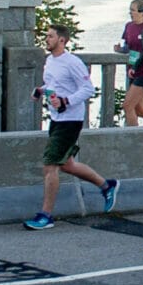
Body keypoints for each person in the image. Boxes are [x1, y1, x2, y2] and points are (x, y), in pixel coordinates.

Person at [24, 24, 118, 230]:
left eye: (50, 36)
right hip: (57, 118)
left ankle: (45, 215)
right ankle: (107, 185)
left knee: (50, 165)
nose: (46, 39)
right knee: (67, 164)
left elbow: (88, 89)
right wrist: (40, 91)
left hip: (71, 119)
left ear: (62, 40)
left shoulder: (73, 62)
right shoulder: (50, 61)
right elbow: (52, 85)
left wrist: (66, 101)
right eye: (46, 36)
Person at [113, 0, 143, 126]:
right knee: (140, 110)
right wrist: (120, 50)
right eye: (129, 10)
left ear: (141, 12)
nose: (130, 13)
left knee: (128, 106)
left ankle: (134, 137)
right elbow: (128, 46)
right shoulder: (129, 26)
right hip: (131, 70)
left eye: (133, 10)